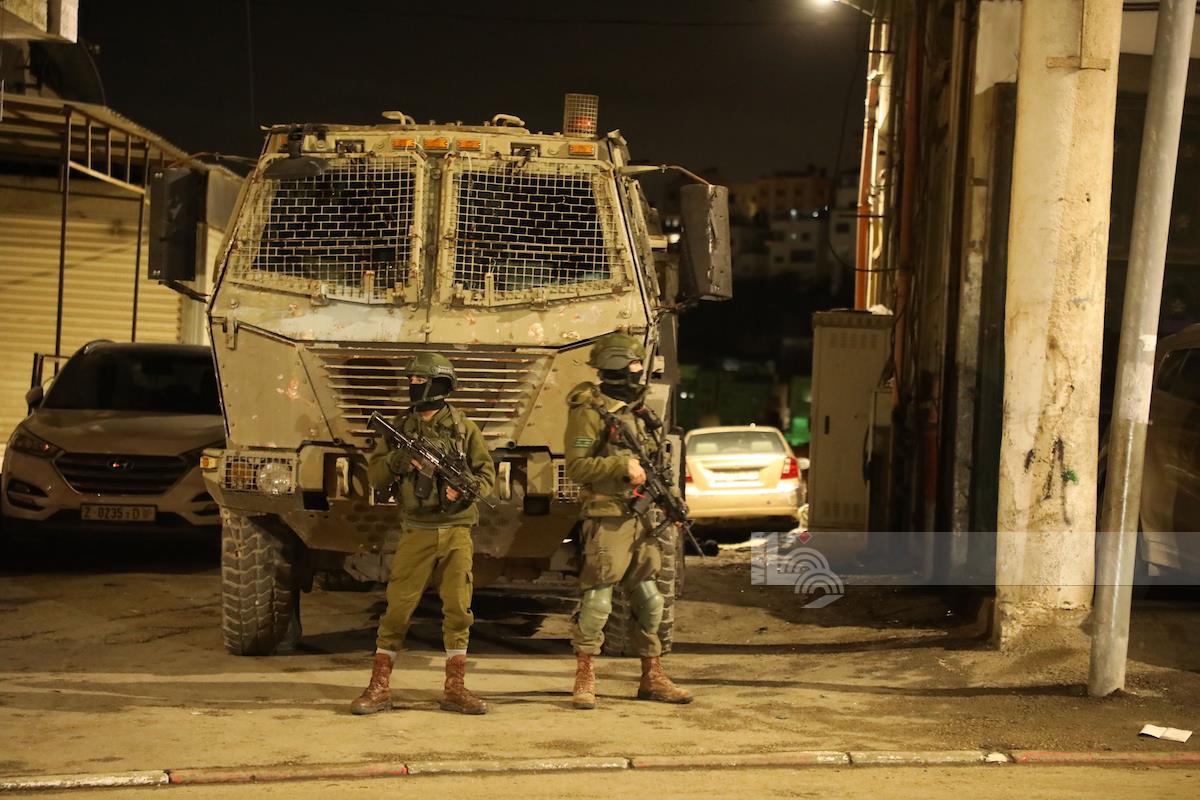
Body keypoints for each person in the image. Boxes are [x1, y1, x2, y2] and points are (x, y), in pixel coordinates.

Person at [350, 353, 496, 716]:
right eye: (411, 381)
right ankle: (379, 686)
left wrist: (464, 490)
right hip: (417, 530)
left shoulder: (464, 428)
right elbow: (376, 477)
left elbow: (486, 476)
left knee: (458, 609)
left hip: (457, 531)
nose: (413, 386)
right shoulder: (401, 428)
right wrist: (397, 461)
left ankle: (455, 687)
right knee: (397, 609)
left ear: (440, 384)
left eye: (420, 380)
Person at [562, 332, 693, 709]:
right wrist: (621, 466)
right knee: (598, 601)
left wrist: (670, 505)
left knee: (650, 600)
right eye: (635, 364)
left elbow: (656, 467)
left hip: (643, 518)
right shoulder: (589, 411)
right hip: (608, 518)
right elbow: (578, 467)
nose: (639, 371)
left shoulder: (638, 411)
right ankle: (585, 675)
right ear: (617, 364)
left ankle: (652, 676)